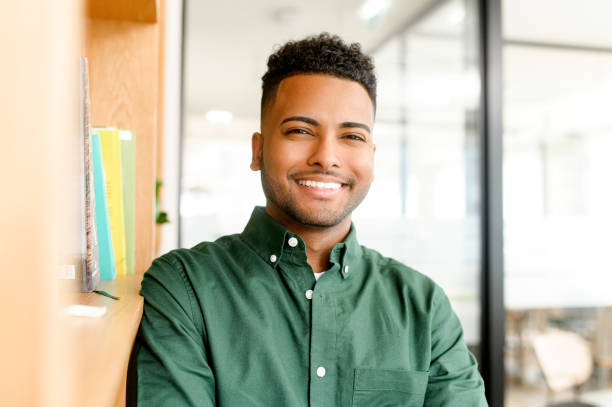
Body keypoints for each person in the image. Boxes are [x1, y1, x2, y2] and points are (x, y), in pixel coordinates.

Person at [128, 33, 488, 406]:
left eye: (352, 135)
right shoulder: (185, 288)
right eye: (300, 131)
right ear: (259, 150)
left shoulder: (424, 306)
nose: (327, 157)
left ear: (372, 157)